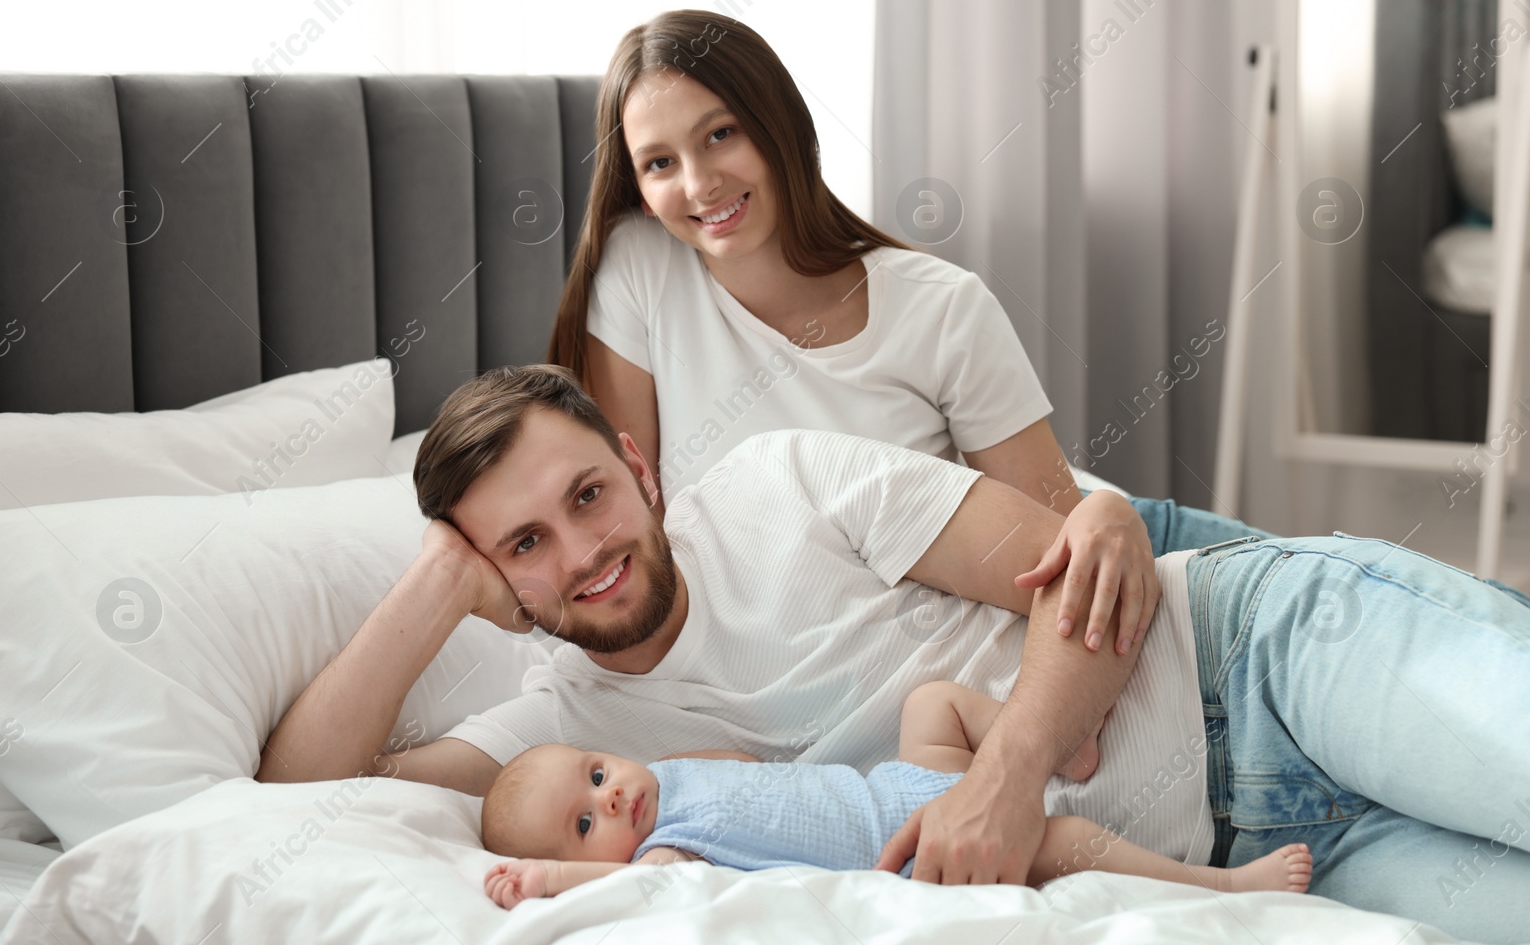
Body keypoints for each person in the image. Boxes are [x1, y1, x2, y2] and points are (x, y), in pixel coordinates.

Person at [258, 365, 1530, 943]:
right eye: (524, 543)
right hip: (1258, 850)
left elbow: (1092, 570)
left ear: (638, 469)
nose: (582, 551)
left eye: (588, 495)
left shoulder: (780, 481)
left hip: (1261, 656)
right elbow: (303, 793)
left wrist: (1010, 770)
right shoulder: (575, 749)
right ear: (497, 579)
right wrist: (435, 579)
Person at [546, 8, 1274, 659]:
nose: (700, 183)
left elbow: (1059, 547)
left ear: (780, 125)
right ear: (635, 185)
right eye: (660, 163)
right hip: (882, 642)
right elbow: (630, 518)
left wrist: (1105, 517)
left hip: (1111, 534)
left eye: (721, 133)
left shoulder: (940, 306)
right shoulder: (639, 266)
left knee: (1337, 593)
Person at [478, 681, 1313, 910]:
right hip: (909, 849)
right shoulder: (669, 853)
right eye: (585, 824)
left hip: (898, 782)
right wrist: (548, 881)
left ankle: (1068, 737)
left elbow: (754, 768)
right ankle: (1225, 885)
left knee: (930, 702)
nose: (613, 796)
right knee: (1052, 842)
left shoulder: (671, 768)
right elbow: (646, 888)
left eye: (597, 771)